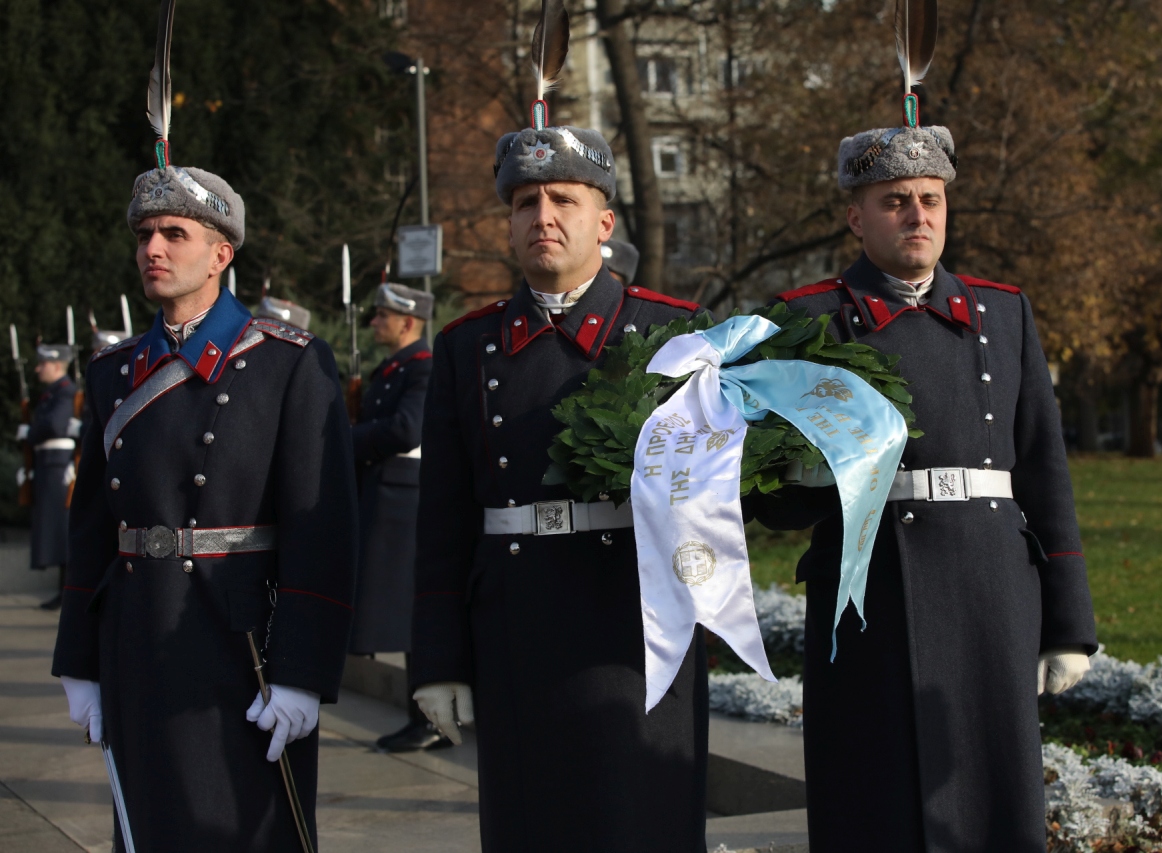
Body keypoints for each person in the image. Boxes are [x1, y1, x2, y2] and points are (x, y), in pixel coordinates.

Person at [752, 123, 1097, 850]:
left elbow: (1043, 469)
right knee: (872, 797)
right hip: (869, 594)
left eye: (931, 200)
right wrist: (816, 473)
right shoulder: (807, 318)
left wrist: (1069, 620)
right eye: (895, 201)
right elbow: (764, 488)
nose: (917, 216)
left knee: (989, 793)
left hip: (989, 590)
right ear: (856, 216)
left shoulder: (1003, 312)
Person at [50, 74, 358, 849]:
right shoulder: (114, 373)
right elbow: (92, 527)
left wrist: (303, 671)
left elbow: (323, 532)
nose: (152, 248)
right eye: (145, 234)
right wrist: (78, 660)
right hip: (137, 641)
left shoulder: (290, 363)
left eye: (174, 234)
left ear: (221, 252)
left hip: (241, 647)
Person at [409, 114, 711, 850]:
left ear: (604, 220)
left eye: (563, 200)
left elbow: (716, 496)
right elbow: (443, 519)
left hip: (636, 633)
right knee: (531, 825)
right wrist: (437, 662)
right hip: (517, 631)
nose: (542, 217)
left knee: (640, 823)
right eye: (524, 204)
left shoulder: (673, 334)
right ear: (509, 225)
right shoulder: (466, 346)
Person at [348, 282, 447, 752]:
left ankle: (429, 721)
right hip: (385, 499)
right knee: (405, 617)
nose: (374, 323)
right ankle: (426, 718)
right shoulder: (395, 368)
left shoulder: (421, 369)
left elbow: (407, 428)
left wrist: (349, 439)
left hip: (403, 503)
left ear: (408, 323)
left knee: (413, 615)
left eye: (382, 316)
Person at [18, 344, 79, 610]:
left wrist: (30, 433)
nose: (38, 368)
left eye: (43, 364)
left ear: (56, 366)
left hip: (58, 465)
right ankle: (62, 591)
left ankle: (68, 592)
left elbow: (54, 425)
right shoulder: (53, 393)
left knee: (62, 530)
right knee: (55, 531)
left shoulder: (66, 392)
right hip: (47, 463)